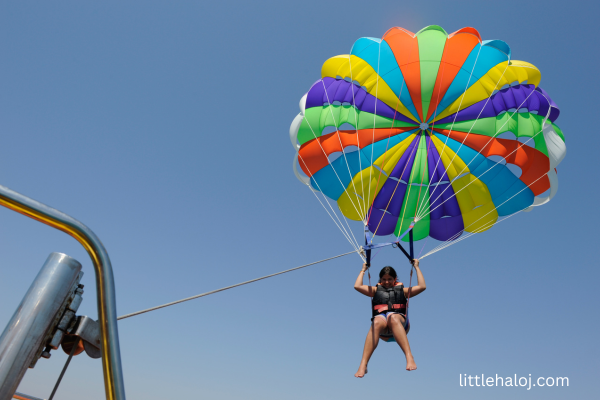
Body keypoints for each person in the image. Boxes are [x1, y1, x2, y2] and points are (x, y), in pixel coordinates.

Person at [353, 259, 426, 377]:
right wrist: (363, 270)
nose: (386, 282)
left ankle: (409, 356)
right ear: (380, 280)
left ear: (395, 279)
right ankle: (363, 364)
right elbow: (357, 286)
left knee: (392, 317)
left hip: (400, 324)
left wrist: (416, 267)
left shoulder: (403, 291)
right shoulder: (376, 290)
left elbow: (422, 286)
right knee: (376, 321)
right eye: (384, 279)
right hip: (382, 331)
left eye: (389, 279)